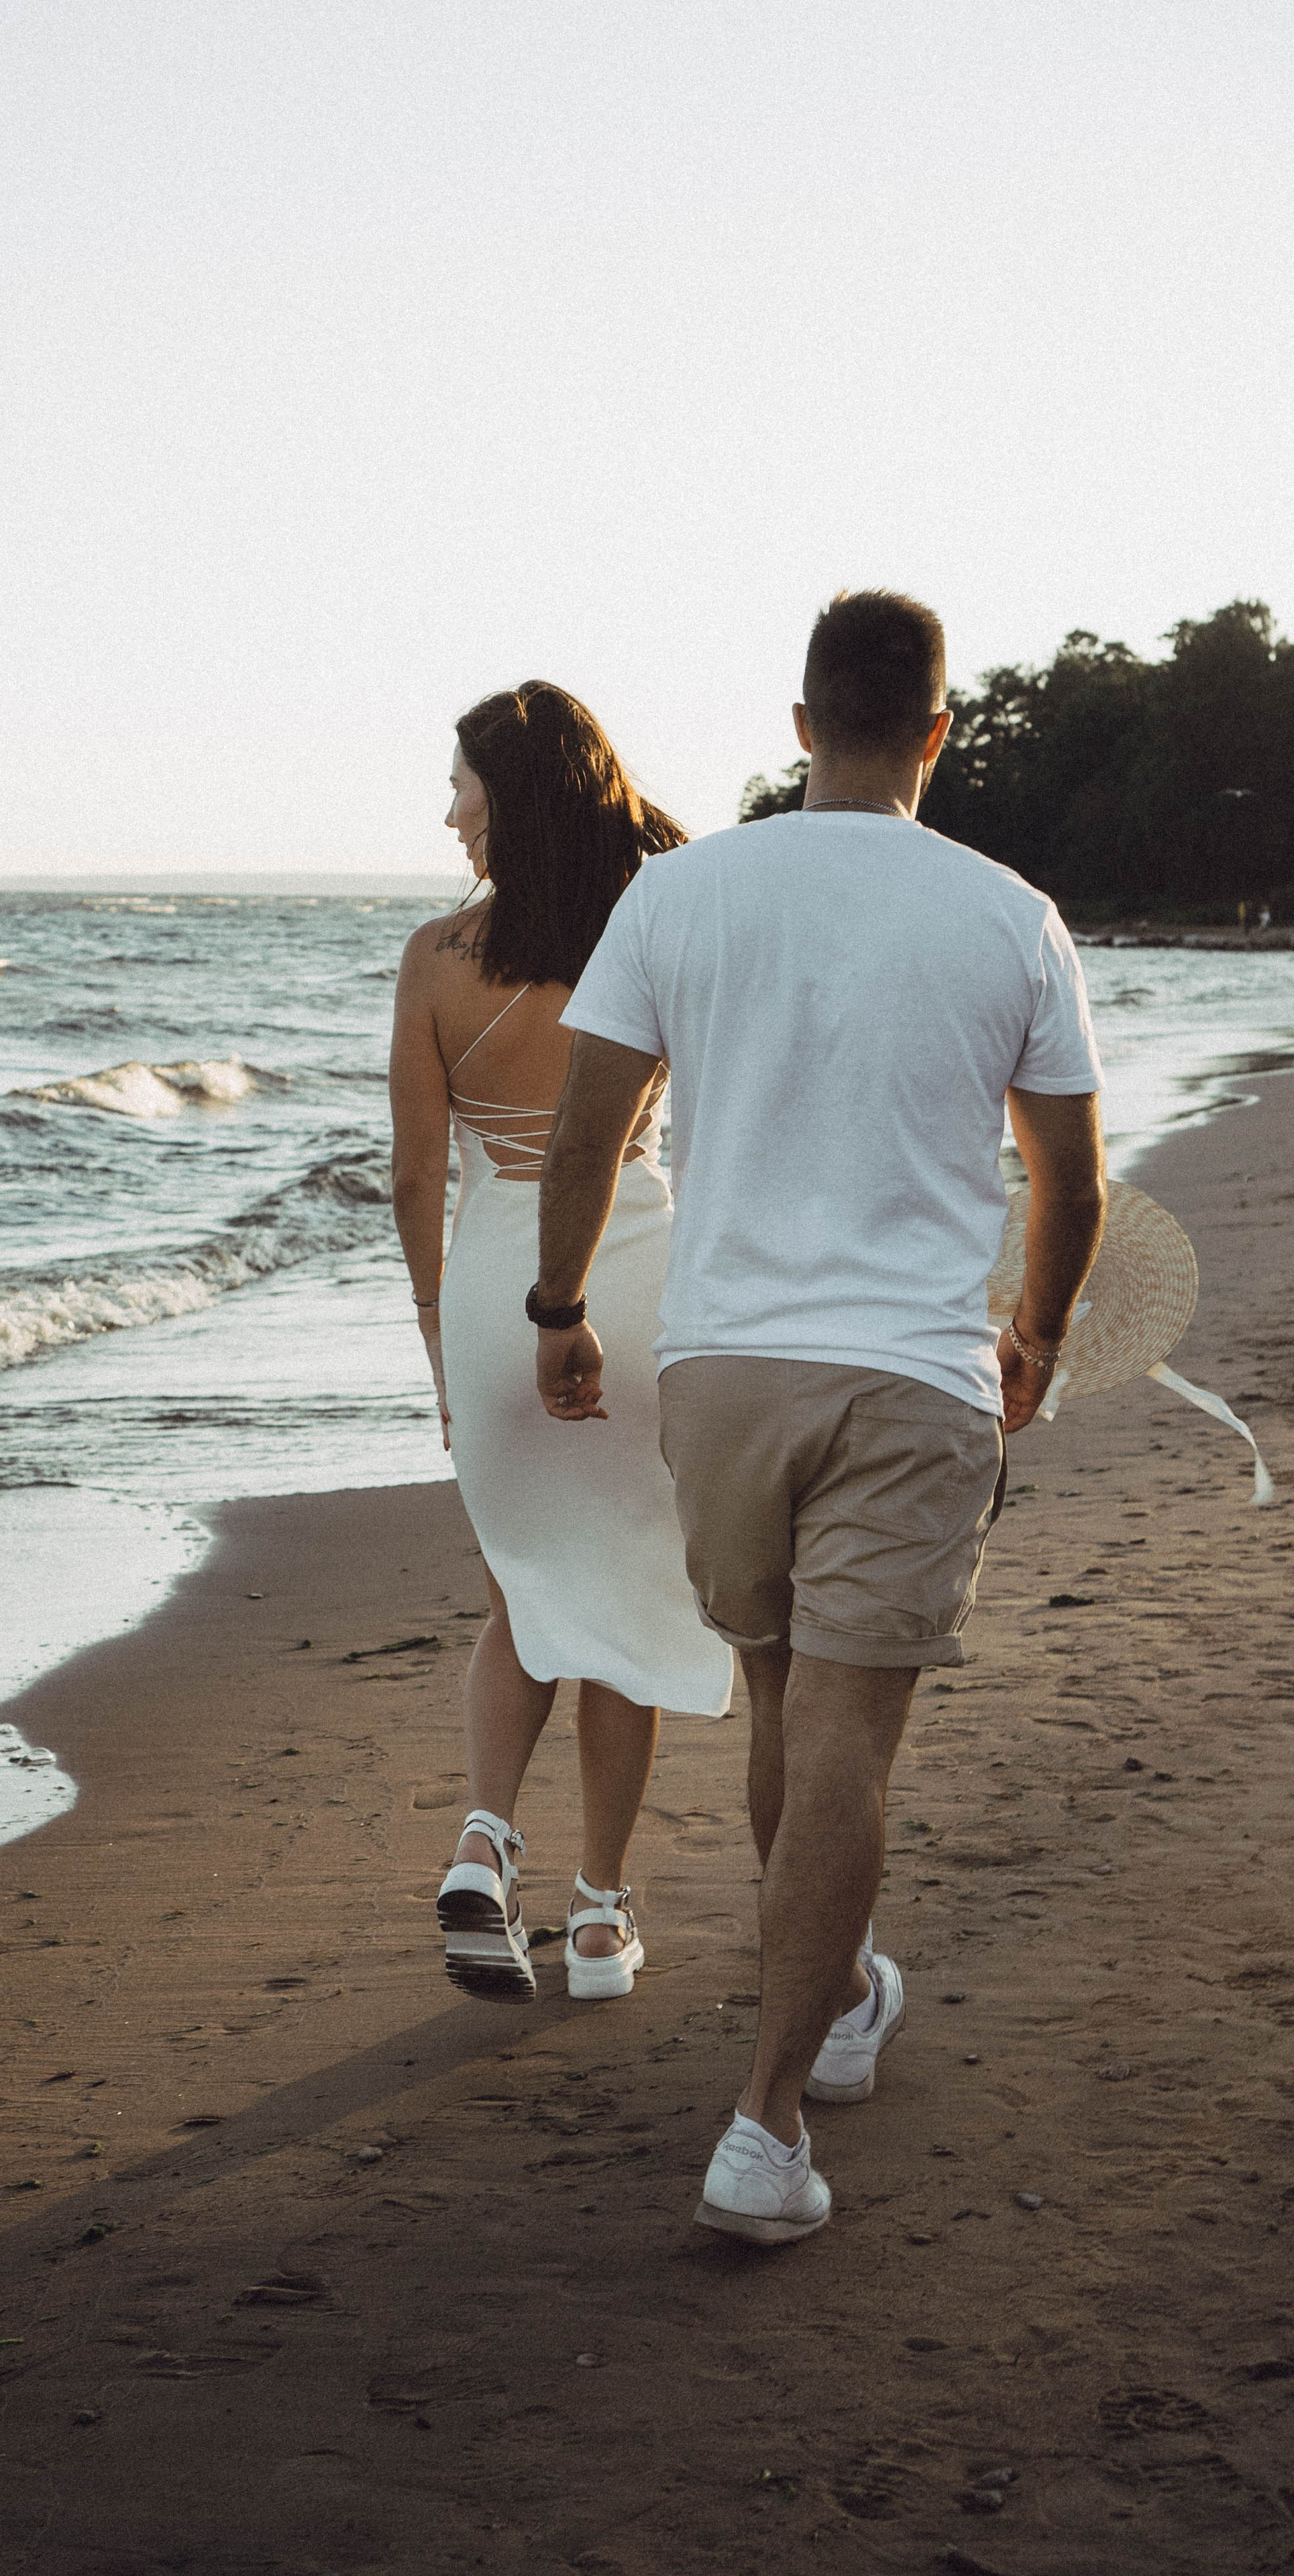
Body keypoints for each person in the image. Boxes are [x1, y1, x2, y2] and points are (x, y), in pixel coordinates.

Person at [533, 592, 1107, 2241]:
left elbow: (589, 1129)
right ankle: (764, 2126)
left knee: (784, 1703)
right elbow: (1064, 1172)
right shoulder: (1009, 916)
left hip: (723, 1371)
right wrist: (1038, 1336)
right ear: (936, 728)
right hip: (911, 1373)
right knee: (844, 1730)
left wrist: (559, 1311)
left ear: (800, 726)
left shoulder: (681, 890)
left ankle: (834, 2007)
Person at [390, 683, 734, 2002]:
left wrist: (442, 1353)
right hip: (632, 1278)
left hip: (495, 1294)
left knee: (522, 1589)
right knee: (627, 1600)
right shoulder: (653, 933)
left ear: (507, 796)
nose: (446, 811)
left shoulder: (433, 959)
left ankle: (484, 1838)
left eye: (459, 785)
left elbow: (417, 1182)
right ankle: (596, 1918)